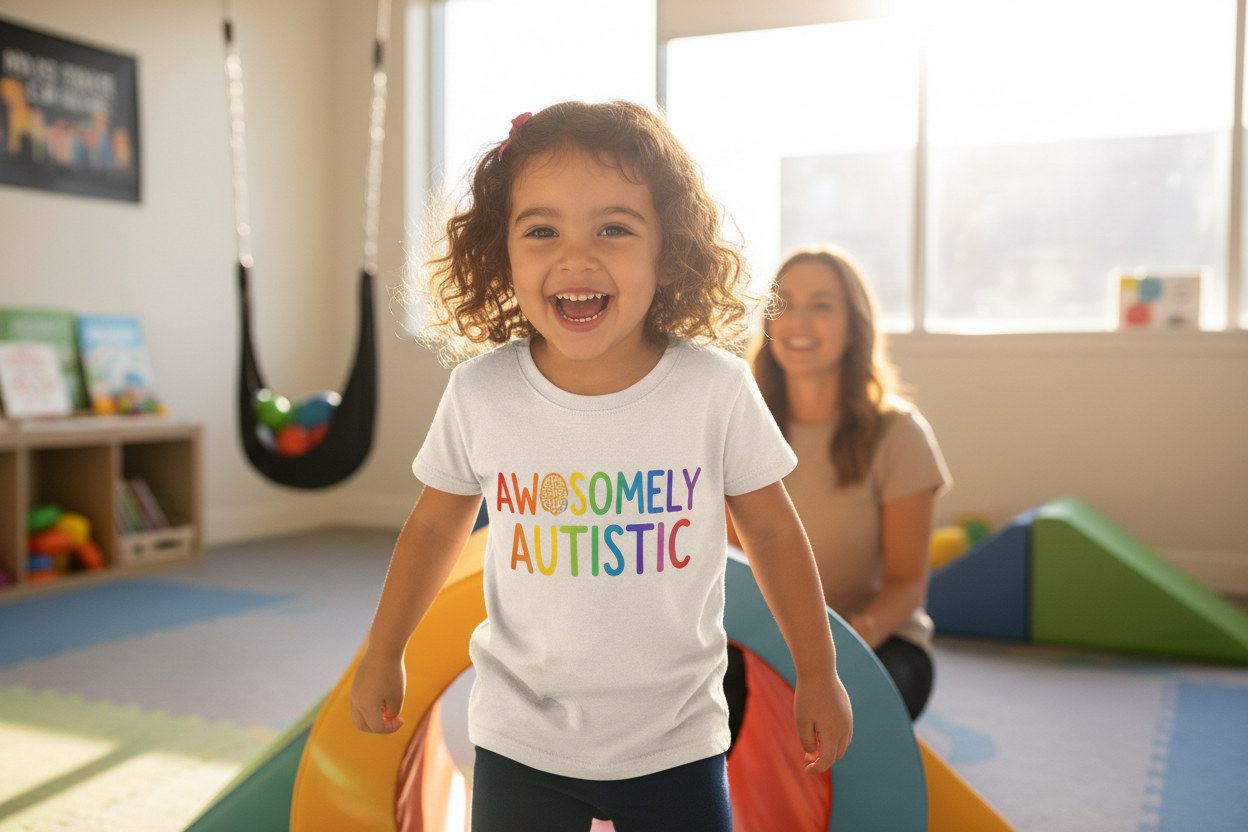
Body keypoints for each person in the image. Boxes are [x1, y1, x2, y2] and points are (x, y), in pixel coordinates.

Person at [350, 102, 853, 832]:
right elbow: (433, 528)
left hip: (676, 739)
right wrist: (384, 648)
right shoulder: (482, 391)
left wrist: (817, 670)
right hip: (522, 735)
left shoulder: (713, 388)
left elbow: (773, 535)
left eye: (614, 229)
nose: (576, 257)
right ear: (501, 253)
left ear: (669, 250)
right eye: (542, 230)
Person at [733, 246, 951, 722]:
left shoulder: (900, 434)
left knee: (859, 712)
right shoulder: (740, 423)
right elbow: (734, 564)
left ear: (854, 326)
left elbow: (907, 580)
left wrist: (852, 638)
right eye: (784, 303)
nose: (799, 320)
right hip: (766, 637)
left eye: (822, 305)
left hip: (874, 639)